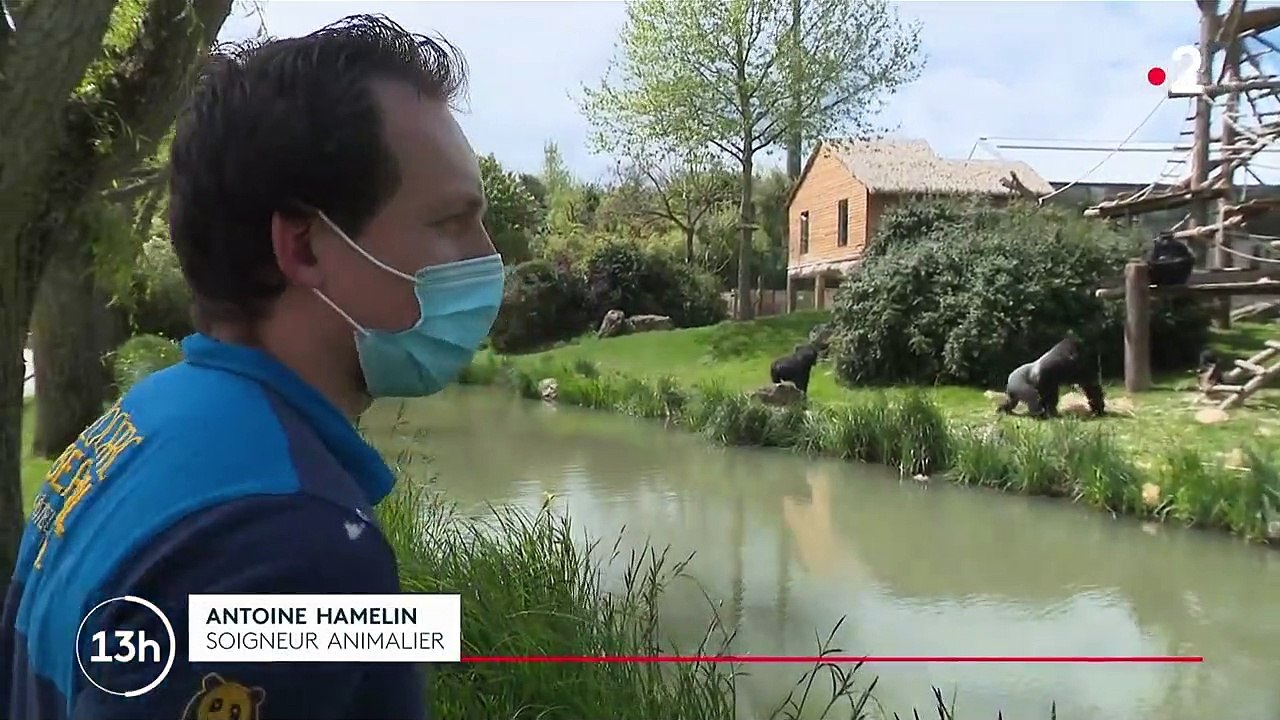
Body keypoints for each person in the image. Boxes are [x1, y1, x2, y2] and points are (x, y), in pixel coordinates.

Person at [1, 14, 499, 720]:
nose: (487, 255)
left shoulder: (143, 424)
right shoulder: (294, 548)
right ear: (303, 247)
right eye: (452, 221)